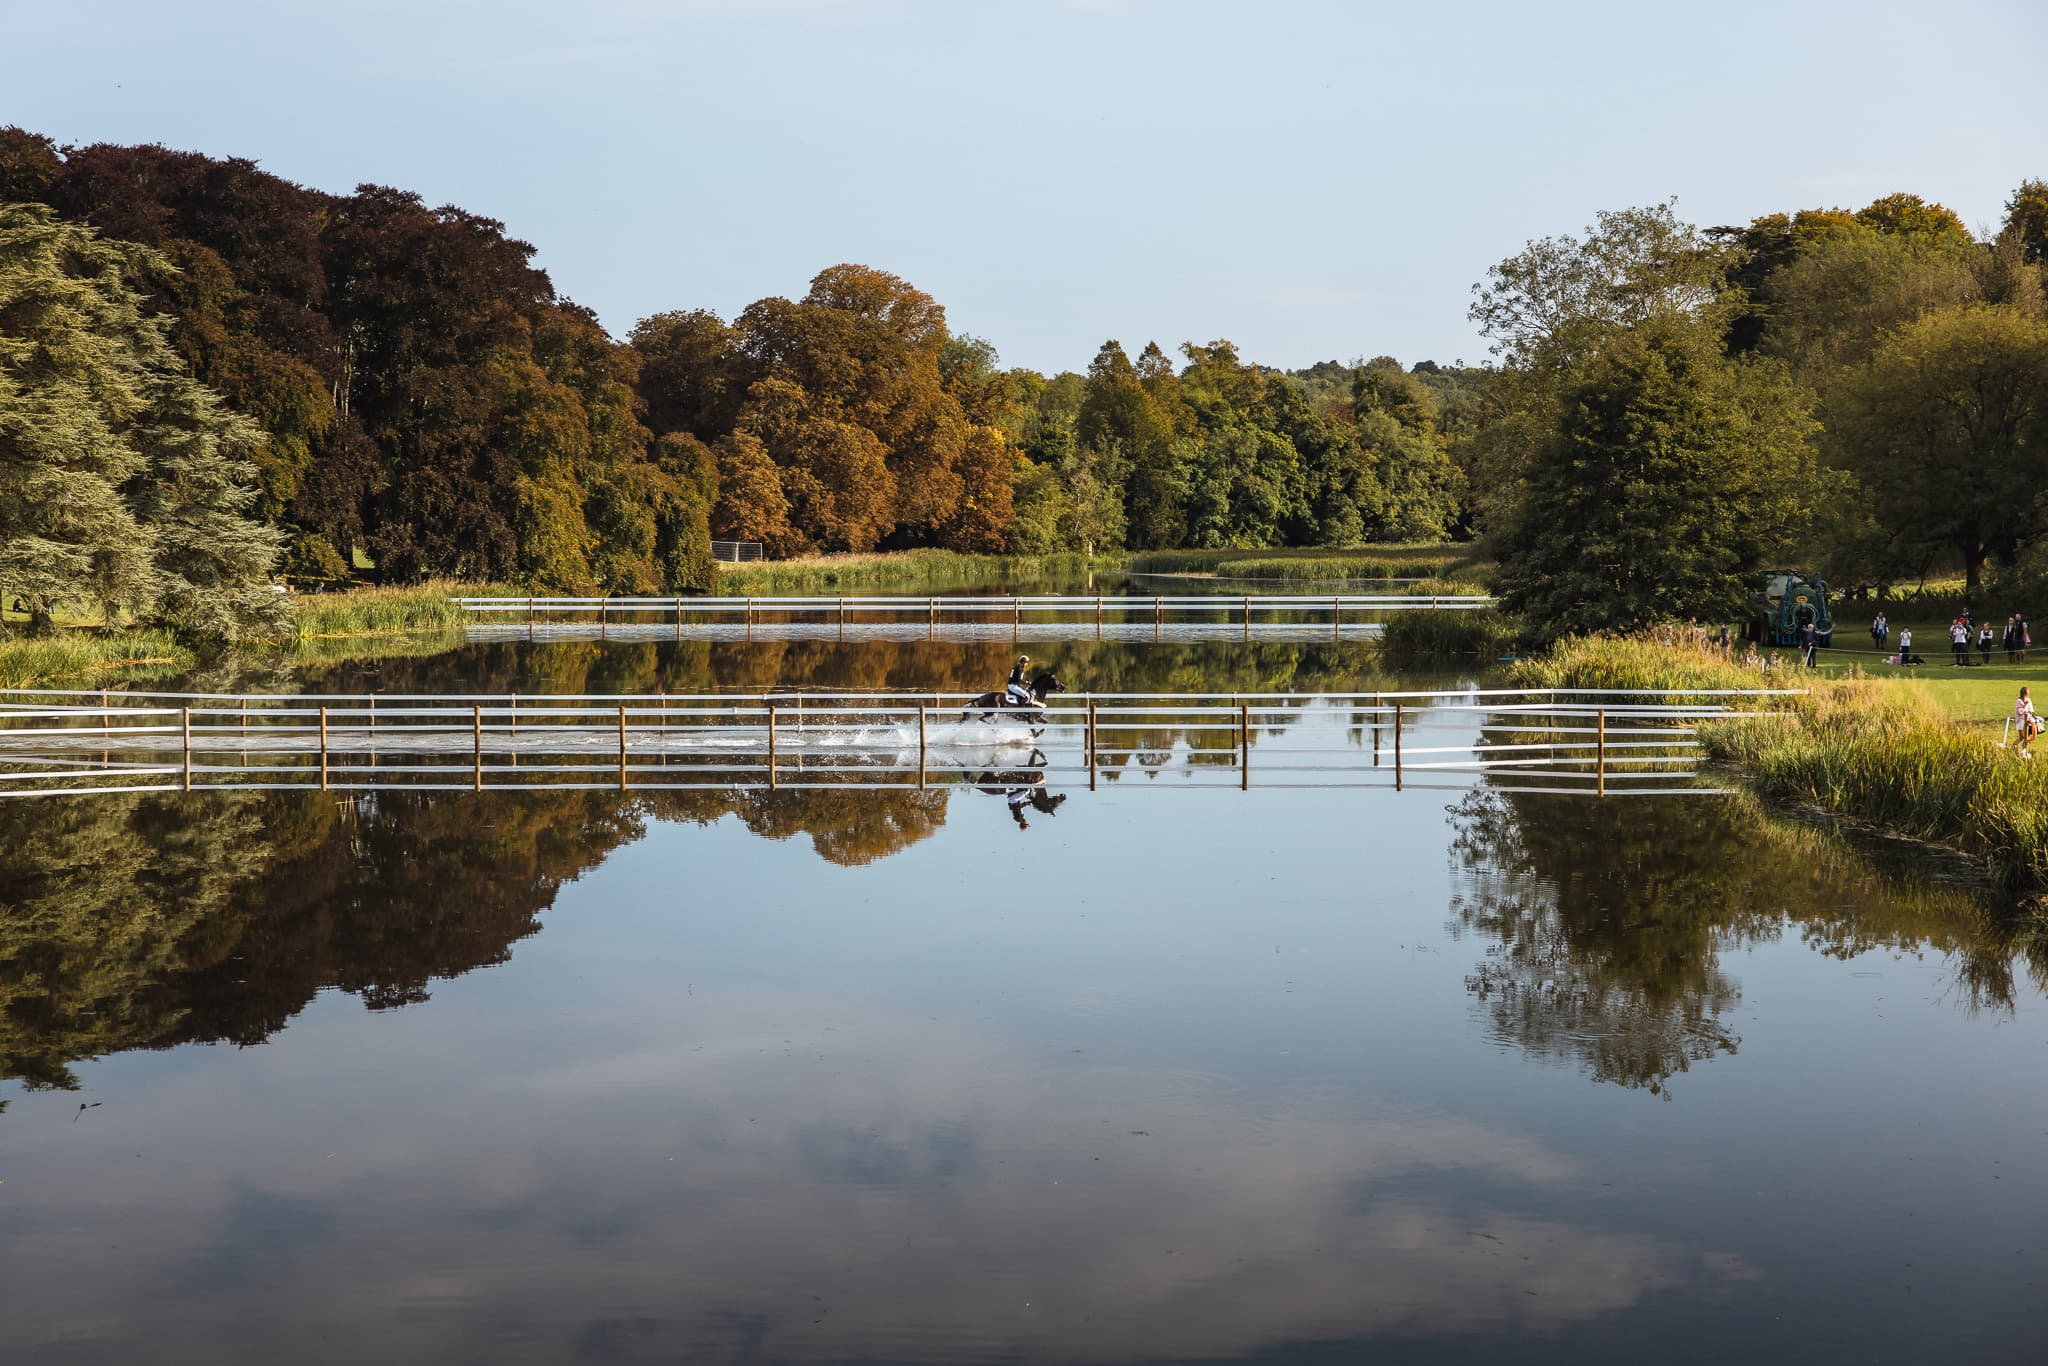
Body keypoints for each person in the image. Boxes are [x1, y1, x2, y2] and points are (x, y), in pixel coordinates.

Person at [2016, 687, 2039, 758]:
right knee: (2021, 737)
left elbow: (2031, 710)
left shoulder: (2029, 700)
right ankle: (2014, 746)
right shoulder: (2018, 701)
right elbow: (2020, 711)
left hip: (2028, 721)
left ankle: (2024, 750)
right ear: (2024, 694)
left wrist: (2029, 711)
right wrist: (2025, 705)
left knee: (2027, 737)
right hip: (2021, 721)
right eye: (2026, 693)